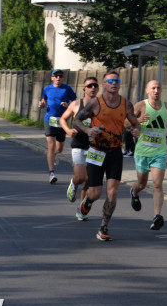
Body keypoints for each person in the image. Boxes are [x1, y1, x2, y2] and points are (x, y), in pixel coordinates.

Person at [73, 70, 140, 241]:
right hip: (96, 150)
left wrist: (135, 130)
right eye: (110, 81)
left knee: (112, 192)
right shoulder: (95, 103)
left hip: (115, 152)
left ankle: (103, 227)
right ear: (104, 85)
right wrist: (88, 130)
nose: (113, 83)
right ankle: (87, 201)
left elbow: (135, 123)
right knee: (95, 193)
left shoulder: (126, 104)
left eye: (116, 81)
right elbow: (76, 120)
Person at [130, 79, 167, 231]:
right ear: (147, 91)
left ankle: (157, 216)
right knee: (142, 184)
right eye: (153, 88)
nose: (156, 91)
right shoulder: (140, 106)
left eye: (159, 88)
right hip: (142, 152)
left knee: (157, 184)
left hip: (159, 152)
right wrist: (137, 120)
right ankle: (134, 191)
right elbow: (124, 122)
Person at [60, 76, 98, 217]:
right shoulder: (76, 104)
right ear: (84, 89)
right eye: (90, 85)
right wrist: (69, 131)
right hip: (78, 145)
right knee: (81, 177)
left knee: (89, 181)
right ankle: (74, 183)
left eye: (95, 85)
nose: (93, 88)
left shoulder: (100, 107)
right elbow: (63, 119)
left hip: (94, 147)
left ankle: (82, 210)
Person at [39, 69, 77, 184]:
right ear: (52, 78)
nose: (58, 78)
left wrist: (68, 105)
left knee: (59, 149)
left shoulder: (67, 89)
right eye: (56, 76)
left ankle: (53, 155)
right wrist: (41, 104)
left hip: (62, 121)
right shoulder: (46, 89)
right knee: (51, 144)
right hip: (49, 120)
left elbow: (76, 103)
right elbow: (43, 101)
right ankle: (51, 173)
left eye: (60, 76)